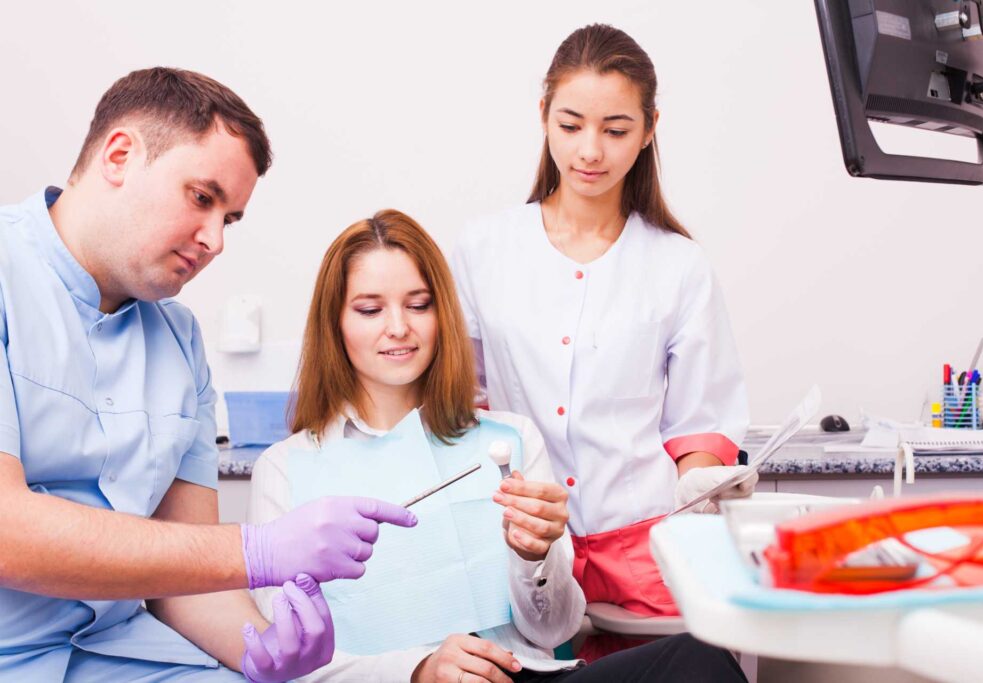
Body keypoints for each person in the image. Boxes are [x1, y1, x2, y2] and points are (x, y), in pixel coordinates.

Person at [0, 67, 416, 682]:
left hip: (123, 656)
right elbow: (8, 534)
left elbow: (185, 578)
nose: (216, 240)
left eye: (232, 218)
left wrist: (261, 647)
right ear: (120, 156)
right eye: (202, 198)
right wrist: (256, 551)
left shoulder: (178, 340)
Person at [247, 209, 747, 682]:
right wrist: (417, 670)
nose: (398, 327)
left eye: (418, 305)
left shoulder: (509, 440)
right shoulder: (287, 469)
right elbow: (292, 665)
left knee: (700, 657)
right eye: (370, 309)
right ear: (335, 323)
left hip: (521, 675)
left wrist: (535, 557)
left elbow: (554, 631)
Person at [450, 24, 754, 660]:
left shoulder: (679, 265)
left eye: (616, 130)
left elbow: (700, 422)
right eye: (571, 125)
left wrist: (704, 486)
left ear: (649, 130)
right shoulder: (483, 250)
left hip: (644, 548)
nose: (591, 150)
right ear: (543, 116)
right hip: (520, 542)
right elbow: (459, 404)